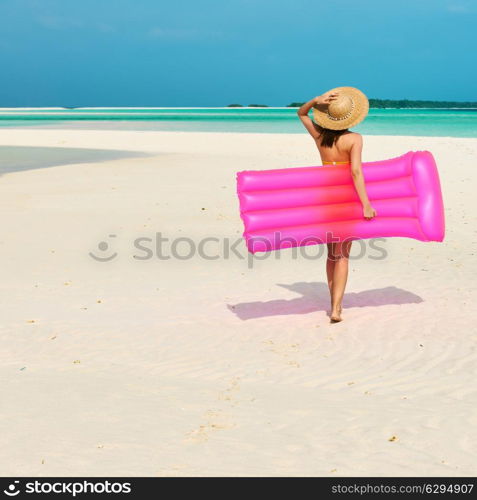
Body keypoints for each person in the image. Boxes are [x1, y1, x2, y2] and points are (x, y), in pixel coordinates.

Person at [297, 87, 377, 323]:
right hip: (346, 201)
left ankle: (333, 300)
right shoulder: (354, 139)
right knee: (343, 256)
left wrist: (314, 100)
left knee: (331, 254)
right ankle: (336, 308)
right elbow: (355, 172)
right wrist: (366, 204)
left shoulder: (320, 137)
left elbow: (301, 114)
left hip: (325, 201)